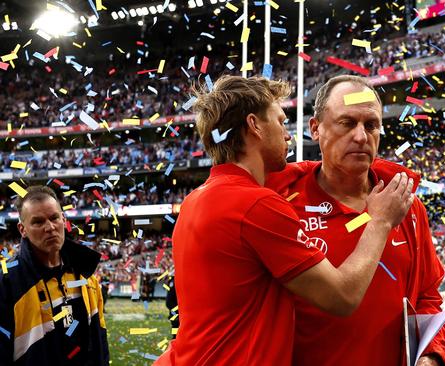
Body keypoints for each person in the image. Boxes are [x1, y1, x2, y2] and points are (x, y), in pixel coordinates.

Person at [155, 75, 414, 366]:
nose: (288, 134)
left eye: (370, 125)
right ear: (254, 126)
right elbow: (342, 297)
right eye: (280, 121)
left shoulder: (195, 200)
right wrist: (379, 221)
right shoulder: (257, 204)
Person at [266, 75, 445, 366]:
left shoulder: (407, 205)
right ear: (315, 128)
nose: (361, 136)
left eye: (371, 124)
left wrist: (432, 357)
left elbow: (428, 297)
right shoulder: (279, 203)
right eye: (347, 123)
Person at [0, 186, 109, 365]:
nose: (49, 227)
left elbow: (100, 342)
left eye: (54, 218)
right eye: (38, 222)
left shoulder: (86, 275)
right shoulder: (7, 283)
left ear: (63, 219)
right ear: (22, 229)